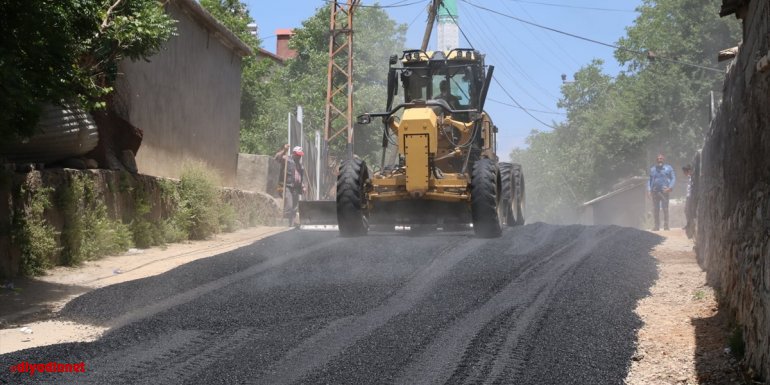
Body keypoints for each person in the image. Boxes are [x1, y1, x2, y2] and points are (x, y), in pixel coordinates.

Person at [274, 144, 305, 227]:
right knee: (289, 205)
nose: (299, 157)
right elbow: (277, 158)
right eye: (298, 155)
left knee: (294, 207)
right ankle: (285, 223)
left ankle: (292, 224)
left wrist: (302, 185)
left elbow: (299, 177)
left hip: (296, 188)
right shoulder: (287, 159)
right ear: (294, 153)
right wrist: (284, 150)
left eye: (300, 155)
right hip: (287, 186)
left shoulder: (300, 165)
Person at [647, 154, 676, 231]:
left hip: (664, 191)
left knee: (665, 209)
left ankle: (666, 226)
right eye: (658, 158)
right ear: (656, 160)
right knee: (656, 209)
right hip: (655, 191)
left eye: (661, 158)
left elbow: (673, 178)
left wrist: (670, 187)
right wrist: (649, 189)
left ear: (664, 159)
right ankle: (656, 226)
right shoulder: (653, 169)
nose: (660, 160)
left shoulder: (668, 168)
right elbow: (649, 180)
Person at [682, 164, 695, 238]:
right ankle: (689, 223)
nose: (684, 173)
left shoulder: (692, 178)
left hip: (690, 196)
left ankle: (689, 224)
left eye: (685, 171)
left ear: (689, 171)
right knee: (686, 210)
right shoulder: (689, 178)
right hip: (688, 196)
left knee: (688, 210)